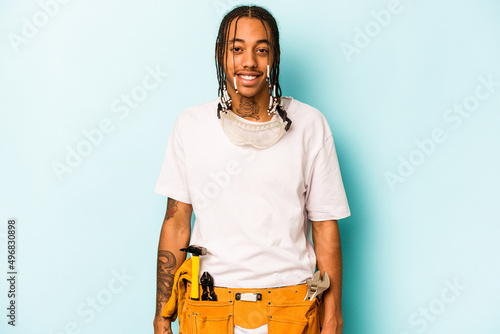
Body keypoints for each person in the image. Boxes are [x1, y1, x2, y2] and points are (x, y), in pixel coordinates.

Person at [153, 5, 350, 334]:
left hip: (292, 307)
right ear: (221, 53)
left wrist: (333, 316)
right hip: (209, 307)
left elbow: (325, 226)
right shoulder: (190, 125)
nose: (249, 62)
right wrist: (162, 315)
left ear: (274, 56)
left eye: (261, 50)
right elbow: (176, 224)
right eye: (237, 49)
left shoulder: (310, 125)